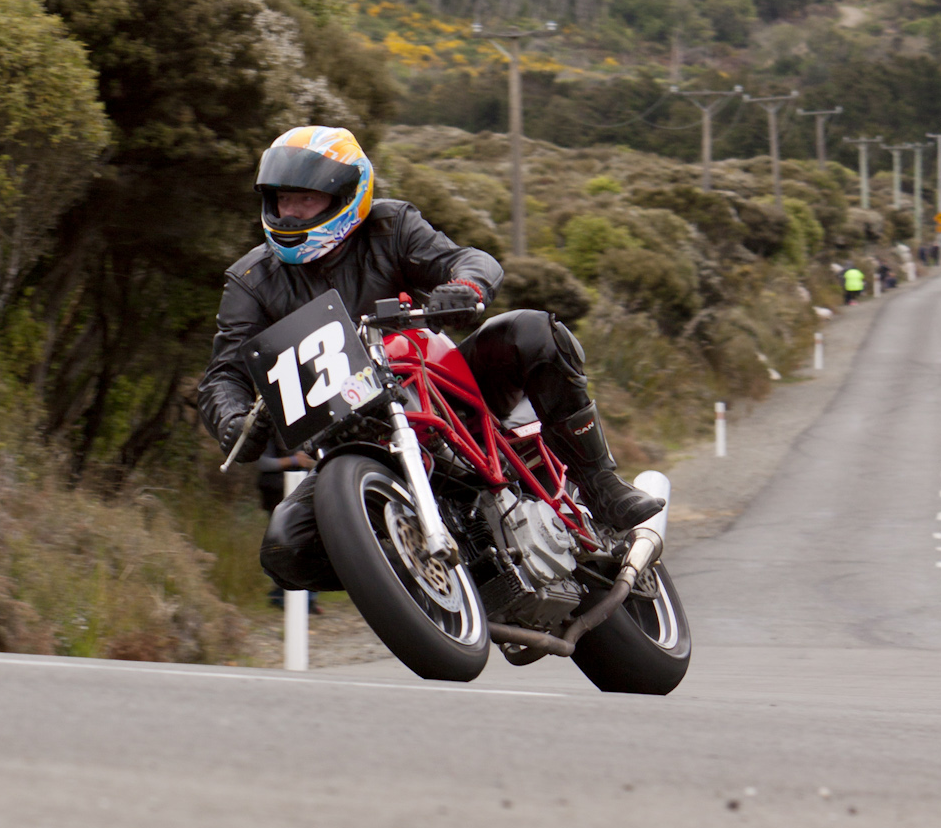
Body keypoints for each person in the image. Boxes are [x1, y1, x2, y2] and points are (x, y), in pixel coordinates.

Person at [197, 126, 663, 594]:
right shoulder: (250, 280)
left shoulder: (391, 225)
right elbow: (224, 374)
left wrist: (465, 287)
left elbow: (469, 260)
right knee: (285, 550)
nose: (291, 212)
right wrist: (232, 421)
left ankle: (599, 484)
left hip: (438, 385)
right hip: (348, 432)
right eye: (283, 199)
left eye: (307, 198)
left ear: (345, 197)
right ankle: (412, 578)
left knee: (533, 331)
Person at [255, 442, 321, 614]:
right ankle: (285, 595)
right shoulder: (269, 433)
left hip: (302, 492)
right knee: (287, 546)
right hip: (277, 493)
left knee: (310, 543)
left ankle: (306, 597)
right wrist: (294, 460)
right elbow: (262, 463)